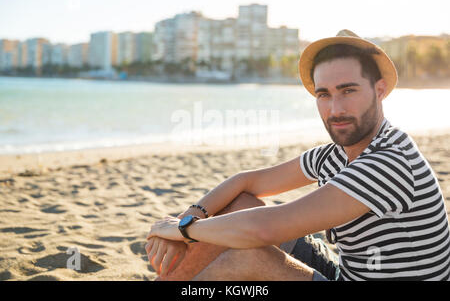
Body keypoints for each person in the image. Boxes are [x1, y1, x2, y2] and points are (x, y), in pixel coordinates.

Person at [145, 30, 450, 281]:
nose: (336, 109)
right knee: (240, 205)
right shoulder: (333, 155)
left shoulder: (389, 162)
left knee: (246, 258)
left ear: (379, 90)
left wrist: (181, 230)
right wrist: (188, 218)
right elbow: (245, 182)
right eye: (324, 94)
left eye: (348, 91)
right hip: (348, 272)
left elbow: (265, 228)